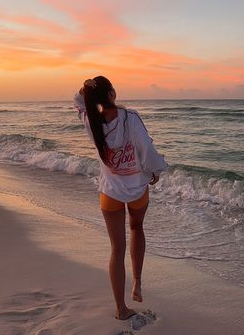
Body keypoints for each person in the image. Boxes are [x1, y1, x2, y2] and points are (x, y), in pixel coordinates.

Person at [74, 76, 167, 320]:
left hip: (109, 193)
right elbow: (146, 149)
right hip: (136, 189)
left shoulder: (90, 121)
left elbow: (78, 101)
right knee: (137, 228)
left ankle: (120, 308)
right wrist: (155, 171)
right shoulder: (131, 118)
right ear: (113, 94)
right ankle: (137, 281)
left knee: (117, 248)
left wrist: (88, 88)